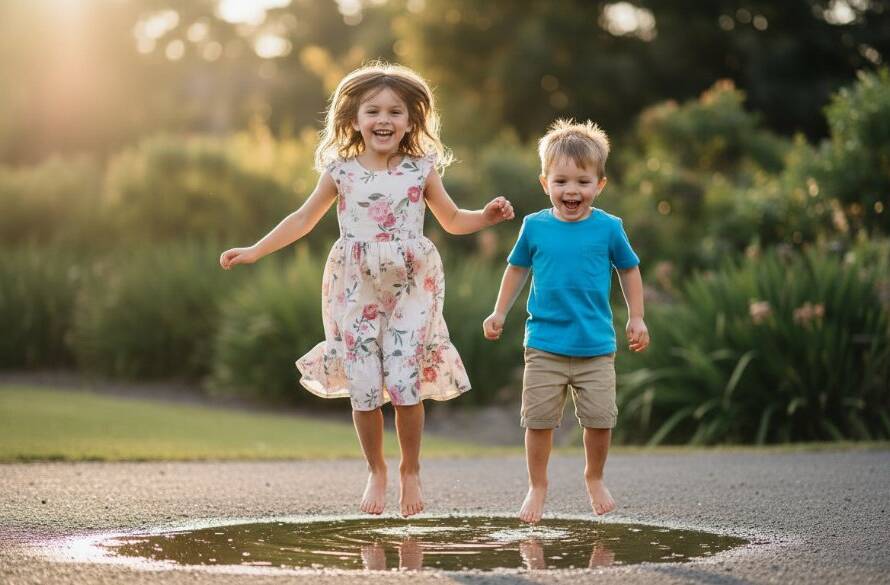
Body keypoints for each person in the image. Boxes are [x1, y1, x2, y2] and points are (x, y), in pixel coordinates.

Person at [220, 62, 514, 517]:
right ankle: (377, 468)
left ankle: (410, 469)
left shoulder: (421, 169)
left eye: (395, 111)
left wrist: (486, 217)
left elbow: (454, 220)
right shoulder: (341, 172)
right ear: (353, 118)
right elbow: (301, 220)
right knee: (363, 385)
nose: (384, 120)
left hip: (412, 283)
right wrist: (255, 250)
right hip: (355, 286)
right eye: (373, 110)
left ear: (411, 121)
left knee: (402, 378)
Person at [482, 119, 649, 523]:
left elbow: (629, 270)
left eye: (582, 181)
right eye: (561, 181)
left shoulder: (609, 228)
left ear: (599, 184)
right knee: (538, 422)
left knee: (599, 421)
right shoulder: (534, 226)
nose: (571, 191)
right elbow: (516, 270)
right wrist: (499, 311)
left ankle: (594, 477)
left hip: (595, 346)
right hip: (544, 345)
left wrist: (637, 317)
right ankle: (537, 485)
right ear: (545, 183)